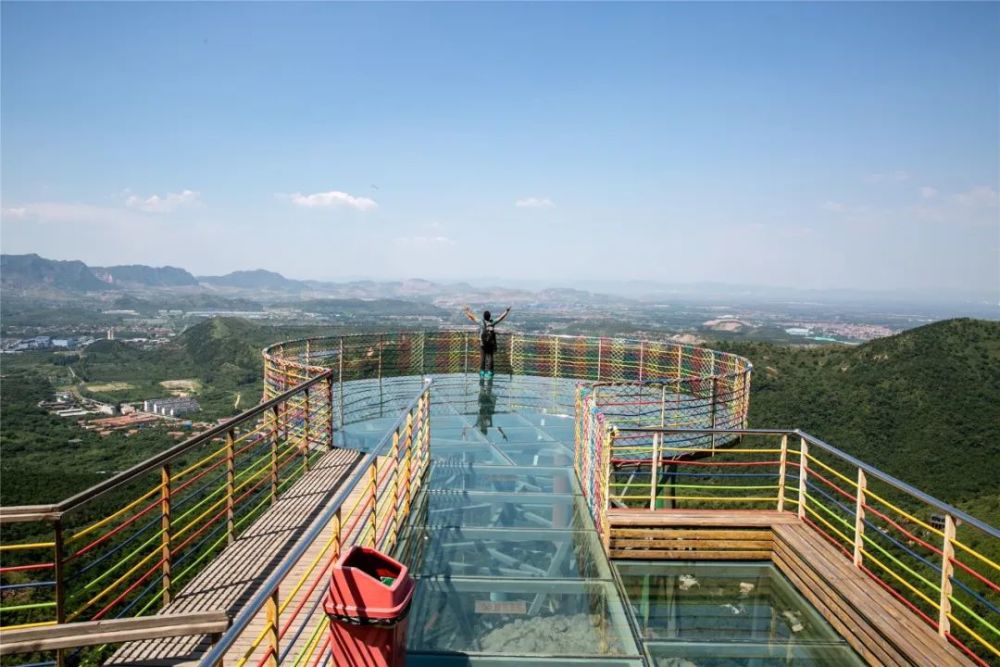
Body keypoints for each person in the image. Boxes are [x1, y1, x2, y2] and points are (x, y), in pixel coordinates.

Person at [464, 306, 511, 380]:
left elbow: (473, 317)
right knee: (491, 358)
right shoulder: (492, 322)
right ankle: (490, 373)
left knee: (483, 358)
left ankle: (482, 373)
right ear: (489, 316)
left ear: (484, 316)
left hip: (483, 344)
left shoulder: (481, 322)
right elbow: (501, 318)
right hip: (490, 345)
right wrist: (507, 311)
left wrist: (467, 311)